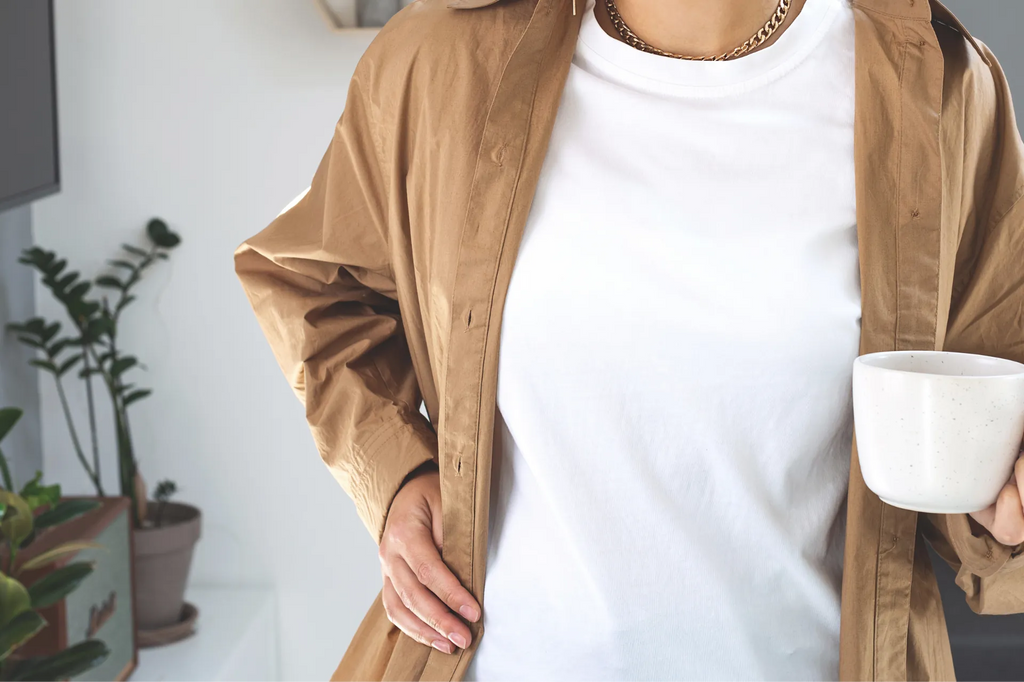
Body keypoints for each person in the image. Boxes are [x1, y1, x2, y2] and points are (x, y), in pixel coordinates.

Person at [233, 0, 1024, 679]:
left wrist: (1007, 498)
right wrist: (397, 477)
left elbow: (986, 430)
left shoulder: (943, 90)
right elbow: (313, 283)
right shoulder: (439, 63)